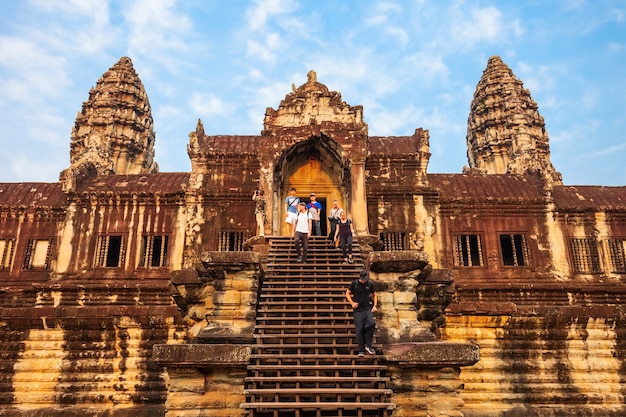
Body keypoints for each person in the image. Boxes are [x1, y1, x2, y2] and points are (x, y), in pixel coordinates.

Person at [346, 269, 378, 356]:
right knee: (359, 329)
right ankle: (361, 349)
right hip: (358, 310)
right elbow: (347, 293)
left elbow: (375, 294)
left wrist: (375, 306)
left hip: (367, 308)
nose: (364, 280)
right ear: (360, 278)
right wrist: (352, 303)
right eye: (363, 279)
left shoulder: (369, 284)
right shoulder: (355, 284)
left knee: (371, 324)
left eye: (365, 279)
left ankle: (368, 345)